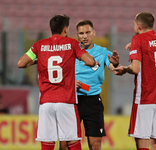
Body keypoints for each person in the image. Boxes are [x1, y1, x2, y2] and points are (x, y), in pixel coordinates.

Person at [17, 14, 98, 150]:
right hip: (66, 101)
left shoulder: (39, 45)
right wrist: (91, 61)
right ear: (65, 29)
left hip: (46, 102)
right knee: (73, 141)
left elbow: (20, 63)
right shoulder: (72, 44)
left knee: (47, 143)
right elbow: (90, 61)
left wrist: (34, 62)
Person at [113, 12, 156, 150]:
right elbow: (151, 43)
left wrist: (125, 69)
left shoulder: (138, 40)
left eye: (133, 23)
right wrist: (135, 43)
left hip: (145, 97)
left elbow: (136, 69)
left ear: (139, 26)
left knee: (142, 142)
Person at [73, 20, 119, 150]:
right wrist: (69, 83)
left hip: (92, 101)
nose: (85, 36)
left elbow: (112, 67)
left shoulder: (103, 52)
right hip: (72, 100)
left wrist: (115, 65)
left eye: (87, 32)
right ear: (77, 35)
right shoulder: (71, 51)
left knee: (96, 144)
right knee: (66, 144)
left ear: (94, 33)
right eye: (81, 33)